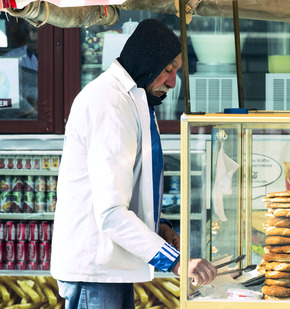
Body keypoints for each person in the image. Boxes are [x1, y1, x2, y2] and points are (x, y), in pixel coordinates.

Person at [50, 19, 217, 309]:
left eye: (176, 71)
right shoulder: (109, 103)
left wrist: (158, 225)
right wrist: (175, 262)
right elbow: (112, 213)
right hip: (96, 270)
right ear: (146, 61)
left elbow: (134, 184)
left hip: (112, 268)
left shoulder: (135, 99)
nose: (172, 81)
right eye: (168, 70)